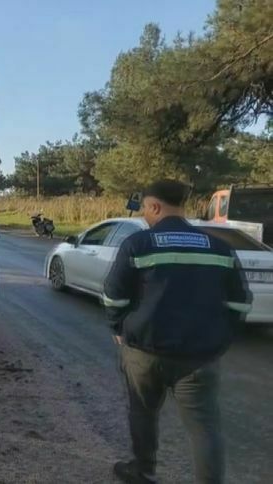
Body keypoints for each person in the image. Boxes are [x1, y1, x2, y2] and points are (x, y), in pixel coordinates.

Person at [103, 180, 251, 484]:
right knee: (204, 427)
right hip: (199, 357)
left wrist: (119, 327)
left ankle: (142, 471)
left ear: (155, 206)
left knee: (143, 413)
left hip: (143, 352)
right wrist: (221, 338)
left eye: (145, 208)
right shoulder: (218, 247)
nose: (145, 215)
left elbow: (114, 296)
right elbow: (239, 301)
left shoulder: (138, 244)